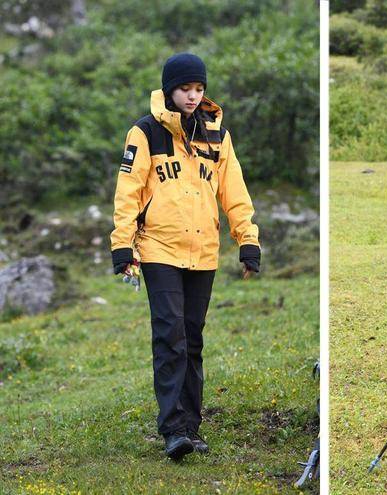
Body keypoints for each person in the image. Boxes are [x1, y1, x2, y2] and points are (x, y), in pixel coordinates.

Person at [110, 53, 261, 460]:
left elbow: (235, 191)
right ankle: (174, 429)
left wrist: (247, 240)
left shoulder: (217, 136)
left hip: (204, 252)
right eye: (185, 89)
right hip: (157, 249)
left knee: (192, 339)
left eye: (199, 89)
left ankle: (191, 428)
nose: (193, 97)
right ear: (169, 89)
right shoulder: (144, 134)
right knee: (170, 336)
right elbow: (127, 194)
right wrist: (122, 245)